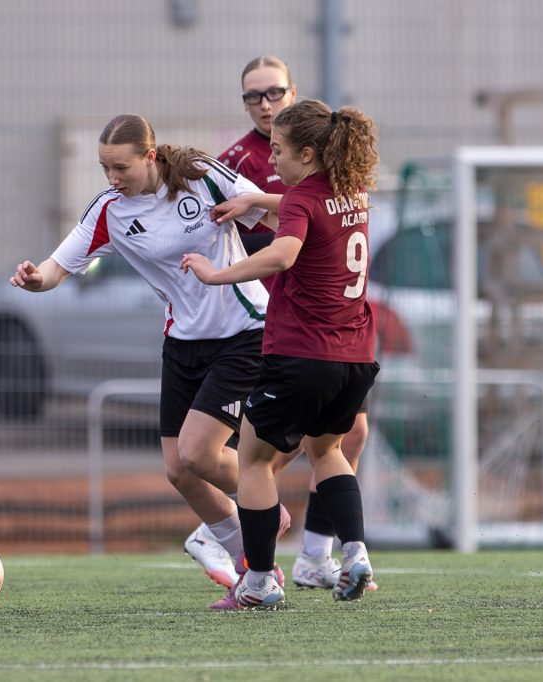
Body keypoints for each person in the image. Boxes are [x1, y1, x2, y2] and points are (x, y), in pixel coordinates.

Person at [10, 113, 285, 591]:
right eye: (104, 168)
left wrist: (261, 203)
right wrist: (36, 280)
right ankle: (249, 558)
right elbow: (56, 268)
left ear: (150, 157)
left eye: (121, 168)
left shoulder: (202, 176)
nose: (112, 178)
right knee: (179, 470)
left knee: (199, 453)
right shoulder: (109, 211)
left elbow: (285, 213)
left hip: (242, 331)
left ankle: (263, 506)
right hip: (182, 342)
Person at [187, 55, 375, 594]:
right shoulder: (352, 190)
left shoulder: (300, 199)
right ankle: (353, 554)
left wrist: (216, 275)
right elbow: (304, 208)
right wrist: (261, 199)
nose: (271, 158)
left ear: (306, 153)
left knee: (252, 461)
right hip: (355, 355)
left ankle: (258, 581)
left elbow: (283, 252)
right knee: (329, 451)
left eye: (279, 152)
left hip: (301, 352)